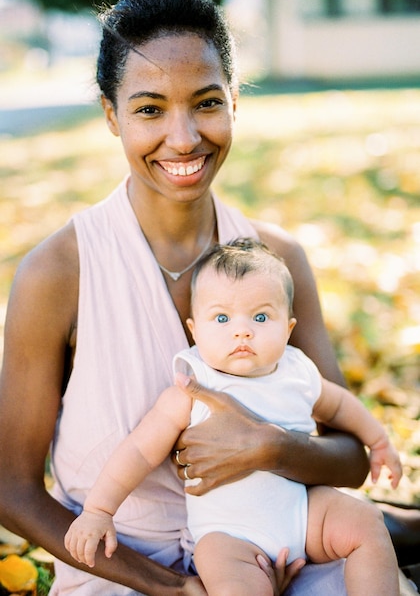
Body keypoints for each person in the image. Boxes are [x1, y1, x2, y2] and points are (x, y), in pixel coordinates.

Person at [0, 0, 417, 596]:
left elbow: (351, 455)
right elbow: (11, 489)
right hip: (125, 579)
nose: (184, 137)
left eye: (205, 102)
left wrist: (266, 447)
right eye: (149, 109)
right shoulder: (58, 273)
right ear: (111, 115)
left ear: (234, 103)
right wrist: (173, 590)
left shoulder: (281, 261)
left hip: (282, 551)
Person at [64, 238, 403, 596]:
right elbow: (140, 451)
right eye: (222, 317)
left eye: (260, 317)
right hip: (230, 536)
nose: (242, 331)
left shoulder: (297, 371)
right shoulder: (193, 386)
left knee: (365, 522)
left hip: (304, 515)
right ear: (195, 330)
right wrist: (99, 509)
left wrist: (378, 441)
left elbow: (339, 406)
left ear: (287, 329)